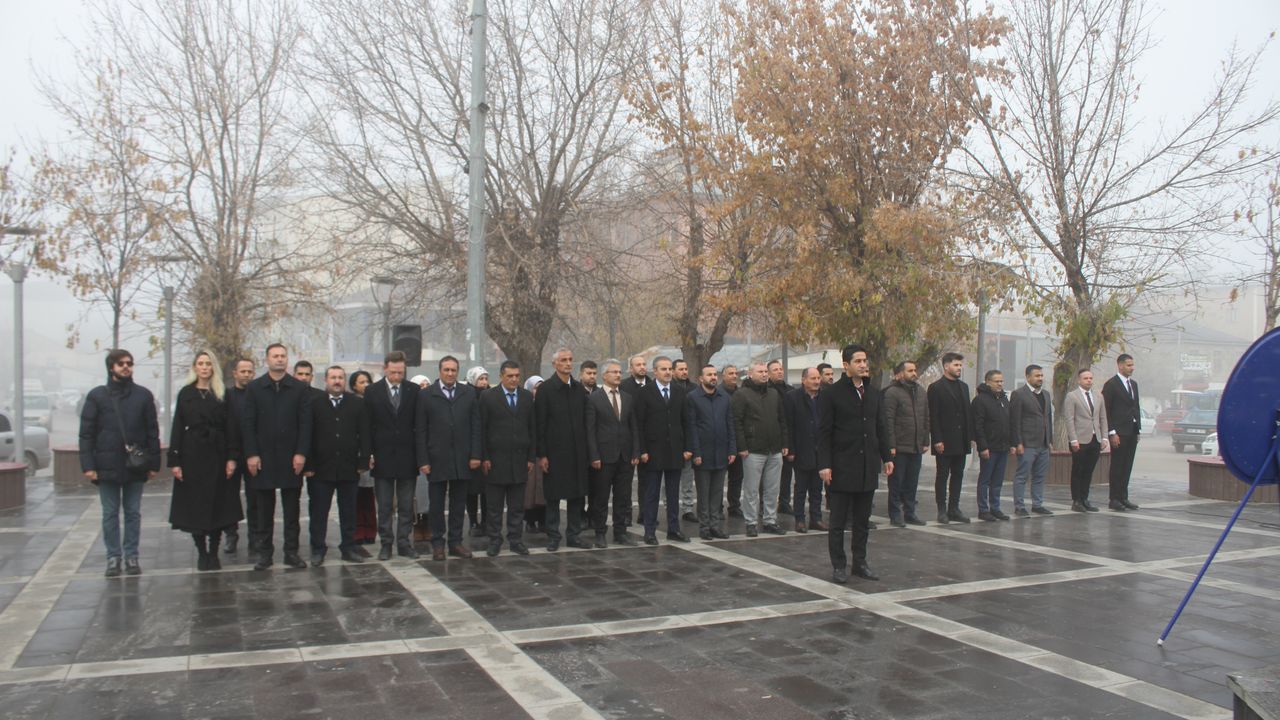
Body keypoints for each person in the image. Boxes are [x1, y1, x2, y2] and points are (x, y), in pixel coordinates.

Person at [79, 348, 161, 577]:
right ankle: (113, 557)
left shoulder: (143, 396)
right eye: (121, 363)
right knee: (110, 513)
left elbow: (152, 431)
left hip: (135, 464)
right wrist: (88, 465)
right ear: (111, 367)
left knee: (133, 512)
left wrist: (154, 463)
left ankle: (132, 556)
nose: (126, 367)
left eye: (129, 363)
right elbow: (86, 434)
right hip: (106, 464)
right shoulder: (97, 396)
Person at [818, 344, 893, 584]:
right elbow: (824, 432)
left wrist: (887, 457)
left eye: (864, 360)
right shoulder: (831, 394)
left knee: (862, 521)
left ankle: (860, 563)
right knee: (838, 521)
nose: (863, 365)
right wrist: (825, 464)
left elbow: (880, 427)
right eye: (858, 361)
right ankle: (839, 565)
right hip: (841, 466)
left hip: (867, 466)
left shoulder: (874, 393)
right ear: (846, 365)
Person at [242, 343, 313, 570]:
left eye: (283, 356)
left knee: (292, 510)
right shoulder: (254, 388)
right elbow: (248, 424)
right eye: (275, 356)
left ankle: (291, 552)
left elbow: (305, 424)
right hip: (263, 457)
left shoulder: (299, 388)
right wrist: (252, 454)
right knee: (264, 509)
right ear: (267, 360)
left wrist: (301, 453)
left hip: (291, 457)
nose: (280, 359)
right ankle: (265, 554)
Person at [168, 351, 242, 571]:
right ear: (195, 367)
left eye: (208, 363)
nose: (204, 367)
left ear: (213, 367)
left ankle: (214, 550)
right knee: (195, 506)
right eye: (200, 363)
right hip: (192, 454)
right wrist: (175, 460)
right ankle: (201, 552)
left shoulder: (222, 393)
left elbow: (231, 427)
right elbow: (178, 426)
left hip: (218, 453)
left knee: (219, 504)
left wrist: (232, 458)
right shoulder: (186, 393)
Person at [416, 356, 481, 561]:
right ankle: (438, 543)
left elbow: (476, 426)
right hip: (436, 458)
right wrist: (423, 460)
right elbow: (421, 430)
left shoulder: (468, 393)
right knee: (436, 505)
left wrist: (475, 454)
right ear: (440, 371)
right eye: (446, 370)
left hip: (462, 458)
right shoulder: (426, 395)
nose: (450, 373)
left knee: (458, 504)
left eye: (454, 370)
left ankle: (455, 542)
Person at [304, 366, 371, 565]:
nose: (337, 381)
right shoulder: (314, 403)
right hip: (320, 469)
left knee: (348, 511)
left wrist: (363, 460)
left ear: (344, 381)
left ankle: (348, 548)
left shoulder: (356, 403)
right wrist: (308, 464)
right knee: (318, 512)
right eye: (333, 377)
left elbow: (365, 434)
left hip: (348, 467)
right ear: (326, 380)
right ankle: (318, 549)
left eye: (340, 377)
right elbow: (307, 435)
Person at [366, 350, 421, 560]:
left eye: (400, 372)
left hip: (408, 456)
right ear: (385, 369)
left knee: (406, 505)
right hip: (383, 456)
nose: (397, 376)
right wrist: (369, 453)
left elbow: (418, 425)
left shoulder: (414, 390)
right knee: (385, 505)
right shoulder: (372, 391)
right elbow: (367, 425)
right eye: (393, 372)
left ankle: (404, 542)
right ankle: (386, 543)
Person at [536, 348, 592, 551]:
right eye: (563, 360)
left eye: (570, 359)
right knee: (553, 497)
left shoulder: (578, 389)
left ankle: (574, 535)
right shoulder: (546, 389)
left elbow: (586, 422)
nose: (568, 363)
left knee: (577, 496)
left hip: (577, 453)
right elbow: (540, 424)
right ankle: (553, 536)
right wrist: (542, 454)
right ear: (555, 364)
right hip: (555, 453)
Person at [479, 360, 536, 557]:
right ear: (501, 376)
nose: (514, 379)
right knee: (494, 507)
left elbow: (532, 428)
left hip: (519, 460)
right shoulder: (488, 397)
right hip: (495, 461)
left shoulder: (526, 397)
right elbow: (482, 428)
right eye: (510, 376)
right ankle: (495, 540)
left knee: (517, 506)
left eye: (517, 376)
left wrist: (530, 457)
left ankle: (516, 540)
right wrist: (484, 457)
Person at [635, 356, 692, 544]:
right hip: (653, 451)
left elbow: (686, 421)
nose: (668, 372)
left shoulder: (679, 391)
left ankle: (673, 529)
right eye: (663, 369)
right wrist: (642, 450)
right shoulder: (645, 393)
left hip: (675, 450)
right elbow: (639, 424)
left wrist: (688, 447)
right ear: (655, 371)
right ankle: (650, 531)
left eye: (669, 369)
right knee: (652, 494)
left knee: (673, 494)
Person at [586, 358, 640, 547]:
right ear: (604, 375)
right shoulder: (594, 398)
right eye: (614, 372)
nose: (618, 375)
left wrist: (635, 451)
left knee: (623, 497)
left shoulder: (627, 397)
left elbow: (633, 427)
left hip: (625, 456)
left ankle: (620, 532)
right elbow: (590, 430)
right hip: (604, 456)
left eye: (619, 372)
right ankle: (600, 532)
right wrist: (594, 455)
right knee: (601, 497)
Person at [731, 361, 789, 537]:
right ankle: (751, 522)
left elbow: (782, 419)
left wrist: (784, 443)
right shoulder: (741, 394)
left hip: (774, 449)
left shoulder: (773, 394)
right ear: (750, 374)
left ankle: (770, 520)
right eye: (760, 371)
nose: (764, 374)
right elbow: (737, 422)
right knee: (751, 489)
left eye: (765, 372)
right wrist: (742, 446)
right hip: (753, 450)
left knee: (772, 489)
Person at [686, 364, 736, 539]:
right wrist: (696, 453)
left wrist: (732, 449)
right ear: (701, 378)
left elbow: (730, 424)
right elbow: (691, 427)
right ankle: (704, 528)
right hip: (703, 454)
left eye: (715, 374)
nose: (713, 377)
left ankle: (715, 526)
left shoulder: (724, 398)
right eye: (709, 375)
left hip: (721, 453)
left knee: (717, 493)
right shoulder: (693, 398)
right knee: (704, 494)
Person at [928, 352, 974, 524]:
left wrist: (970, 437)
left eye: (960, 365)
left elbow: (967, 413)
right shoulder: (936, 387)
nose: (959, 368)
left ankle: (954, 508)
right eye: (956, 365)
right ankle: (942, 510)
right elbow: (934, 415)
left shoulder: (964, 387)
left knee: (958, 474)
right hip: (944, 440)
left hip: (961, 440)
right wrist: (937, 439)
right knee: (942, 475)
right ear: (946, 366)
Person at [883, 360, 929, 527]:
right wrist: (891, 445)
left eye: (914, 370)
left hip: (916, 446)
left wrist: (925, 441)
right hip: (899, 447)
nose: (914, 373)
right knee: (896, 483)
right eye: (910, 370)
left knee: (912, 482)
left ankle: (910, 513)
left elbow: (926, 417)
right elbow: (888, 421)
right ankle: (895, 514)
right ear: (900, 374)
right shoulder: (892, 392)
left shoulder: (921, 391)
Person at [1009, 364, 1055, 517]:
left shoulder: (1046, 394)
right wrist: (1018, 442)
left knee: (1040, 476)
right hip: (1027, 443)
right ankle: (1019, 506)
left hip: (1043, 443)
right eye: (1037, 376)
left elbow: (1048, 418)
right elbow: (1015, 420)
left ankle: (1037, 504)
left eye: (1041, 375)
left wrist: (1050, 440)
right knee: (1022, 476)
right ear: (1028, 377)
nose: (1040, 378)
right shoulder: (1019, 394)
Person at [1064, 368, 1110, 512]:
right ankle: (1076, 500)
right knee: (1078, 470)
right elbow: (1069, 419)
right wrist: (1073, 439)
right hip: (1080, 439)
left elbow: (1103, 418)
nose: (1089, 381)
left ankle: (1085, 498)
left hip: (1095, 439)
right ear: (1079, 380)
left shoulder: (1098, 396)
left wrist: (1104, 437)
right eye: (1085, 378)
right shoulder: (1072, 396)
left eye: (1090, 378)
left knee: (1089, 471)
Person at [223, 357, 256, 555]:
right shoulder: (226, 396)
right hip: (232, 455)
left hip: (253, 455)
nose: (246, 375)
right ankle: (231, 534)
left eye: (249, 371)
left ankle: (255, 536)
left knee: (255, 498)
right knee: (230, 497)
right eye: (242, 371)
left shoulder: (258, 395)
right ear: (235, 373)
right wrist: (229, 456)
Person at [785, 368, 824, 533]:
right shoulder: (792, 397)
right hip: (801, 448)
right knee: (801, 487)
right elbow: (788, 425)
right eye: (813, 378)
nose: (817, 381)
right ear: (803, 380)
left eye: (818, 378)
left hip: (820, 449)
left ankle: (816, 518)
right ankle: (800, 519)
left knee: (817, 487)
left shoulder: (824, 397)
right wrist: (791, 449)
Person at [1102, 354, 1141, 511]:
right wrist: (1112, 432)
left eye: (1132, 365)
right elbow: (1106, 410)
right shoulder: (1111, 385)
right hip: (1118, 432)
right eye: (1129, 365)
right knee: (1117, 466)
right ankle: (1114, 498)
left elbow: (1135, 407)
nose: (1132, 368)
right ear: (1120, 365)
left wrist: (1137, 429)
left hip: (1131, 430)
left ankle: (1123, 497)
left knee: (1127, 465)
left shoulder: (1133, 384)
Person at [972, 370, 1013, 522]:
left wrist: (1011, 443)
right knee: (985, 479)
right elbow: (978, 426)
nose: (1000, 384)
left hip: (1003, 447)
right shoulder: (980, 400)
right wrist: (982, 446)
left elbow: (1009, 422)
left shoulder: (1004, 399)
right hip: (989, 447)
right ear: (988, 382)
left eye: (1001, 381)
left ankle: (995, 508)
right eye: (997, 381)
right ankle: (983, 509)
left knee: (997, 480)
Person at [348, 369, 378, 552]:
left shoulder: (373, 402)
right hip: (355, 453)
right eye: (361, 382)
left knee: (369, 495)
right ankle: (358, 530)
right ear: (354, 386)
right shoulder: (351, 403)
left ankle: (371, 530)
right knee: (357, 495)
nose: (365, 385)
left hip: (372, 452)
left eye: (367, 381)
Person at [464, 366, 490, 535]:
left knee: (488, 490)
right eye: (480, 379)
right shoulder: (467, 395)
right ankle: (473, 522)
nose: (484, 382)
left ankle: (487, 522)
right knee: (471, 490)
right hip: (471, 449)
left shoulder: (490, 396)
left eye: (486, 378)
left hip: (488, 449)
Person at [768, 359, 795, 515]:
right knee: (769, 475)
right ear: (768, 373)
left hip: (788, 435)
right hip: (772, 437)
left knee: (787, 473)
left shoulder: (790, 390)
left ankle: (784, 502)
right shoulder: (766, 390)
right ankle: (766, 504)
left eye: (780, 369)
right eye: (775, 370)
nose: (779, 372)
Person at [672, 358, 697, 523]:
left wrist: (690, 446)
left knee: (688, 478)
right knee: (669, 480)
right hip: (671, 441)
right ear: (674, 371)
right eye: (680, 369)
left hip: (687, 439)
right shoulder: (668, 388)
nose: (684, 372)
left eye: (686, 369)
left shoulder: (694, 389)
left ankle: (688, 509)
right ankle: (670, 506)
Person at [523, 376, 547, 534]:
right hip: (529, 453)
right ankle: (530, 521)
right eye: (536, 387)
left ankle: (544, 520)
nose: (538, 391)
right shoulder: (525, 405)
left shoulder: (546, 404)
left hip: (544, 453)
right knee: (529, 490)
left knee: (543, 489)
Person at [720, 364, 744, 518]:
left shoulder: (741, 393)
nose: (734, 376)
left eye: (736, 373)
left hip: (738, 441)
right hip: (722, 442)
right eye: (730, 373)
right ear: (723, 376)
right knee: (719, 478)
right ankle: (717, 507)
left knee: (737, 477)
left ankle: (734, 506)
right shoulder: (718, 393)